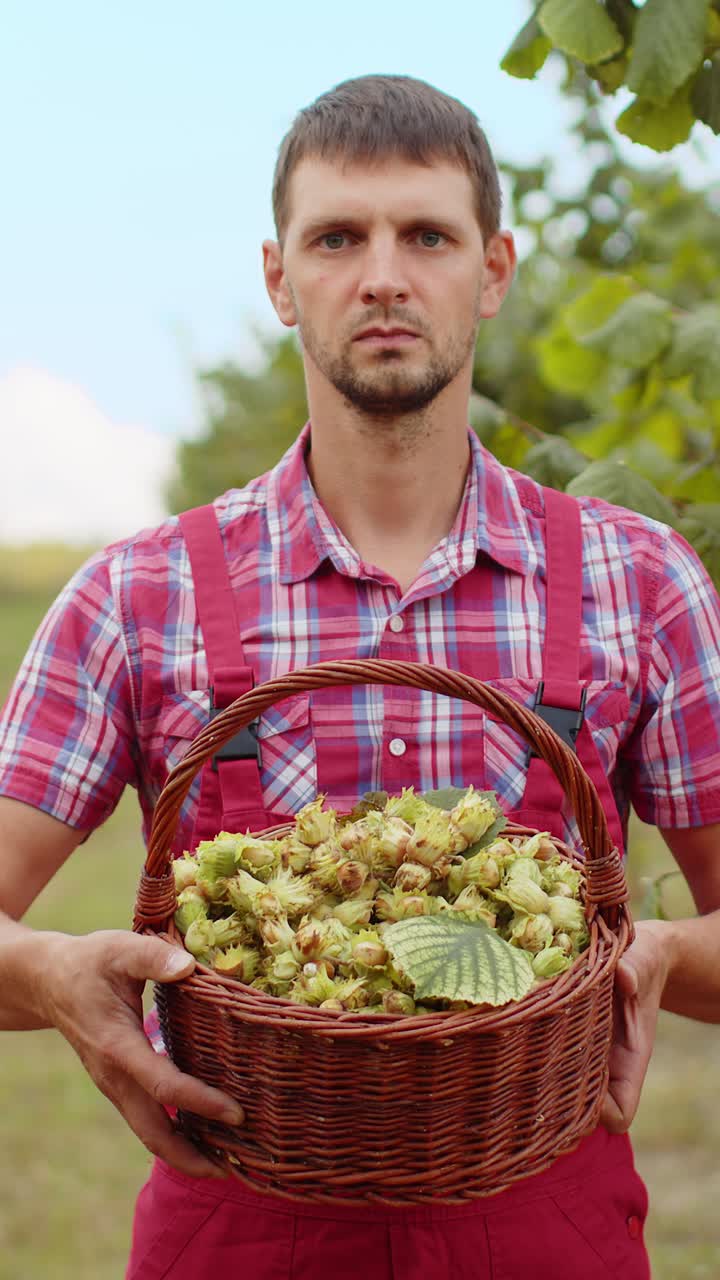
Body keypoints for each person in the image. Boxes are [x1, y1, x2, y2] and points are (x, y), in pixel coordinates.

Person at [1, 72, 719, 1280]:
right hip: (240, 1227)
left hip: (546, 1231)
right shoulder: (138, 594)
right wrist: (54, 977)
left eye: (426, 235)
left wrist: (651, 952)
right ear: (280, 279)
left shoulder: (636, 579)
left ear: (491, 270)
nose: (383, 273)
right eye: (338, 236)